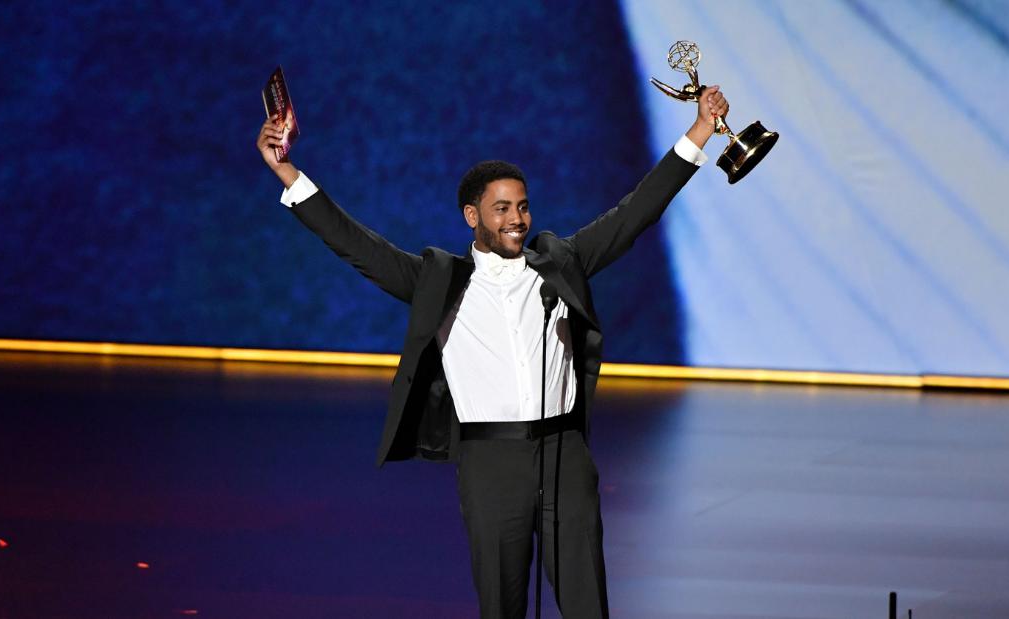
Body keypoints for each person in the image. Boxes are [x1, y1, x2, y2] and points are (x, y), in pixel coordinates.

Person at [256, 85, 728, 619]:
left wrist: (699, 133)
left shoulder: (559, 263)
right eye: (501, 208)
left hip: (564, 455)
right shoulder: (440, 281)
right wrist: (287, 174)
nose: (517, 219)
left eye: (523, 206)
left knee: (586, 602)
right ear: (471, 216)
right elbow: (355, 244)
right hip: (490, 463)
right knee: (501, 606)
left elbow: (633, 214)